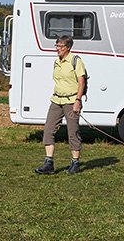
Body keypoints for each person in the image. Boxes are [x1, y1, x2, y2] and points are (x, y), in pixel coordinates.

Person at [35, 35, 87, 175]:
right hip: (56, 100)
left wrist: (78, 101)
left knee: (72, 132)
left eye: (60, 46)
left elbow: (81, 82)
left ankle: (75, 163)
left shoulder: (76, 61)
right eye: (56, 46)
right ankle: (49, 162)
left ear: (68, 48)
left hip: (71, 101)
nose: (57, 49)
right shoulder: (57, 61)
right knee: (48, 130)